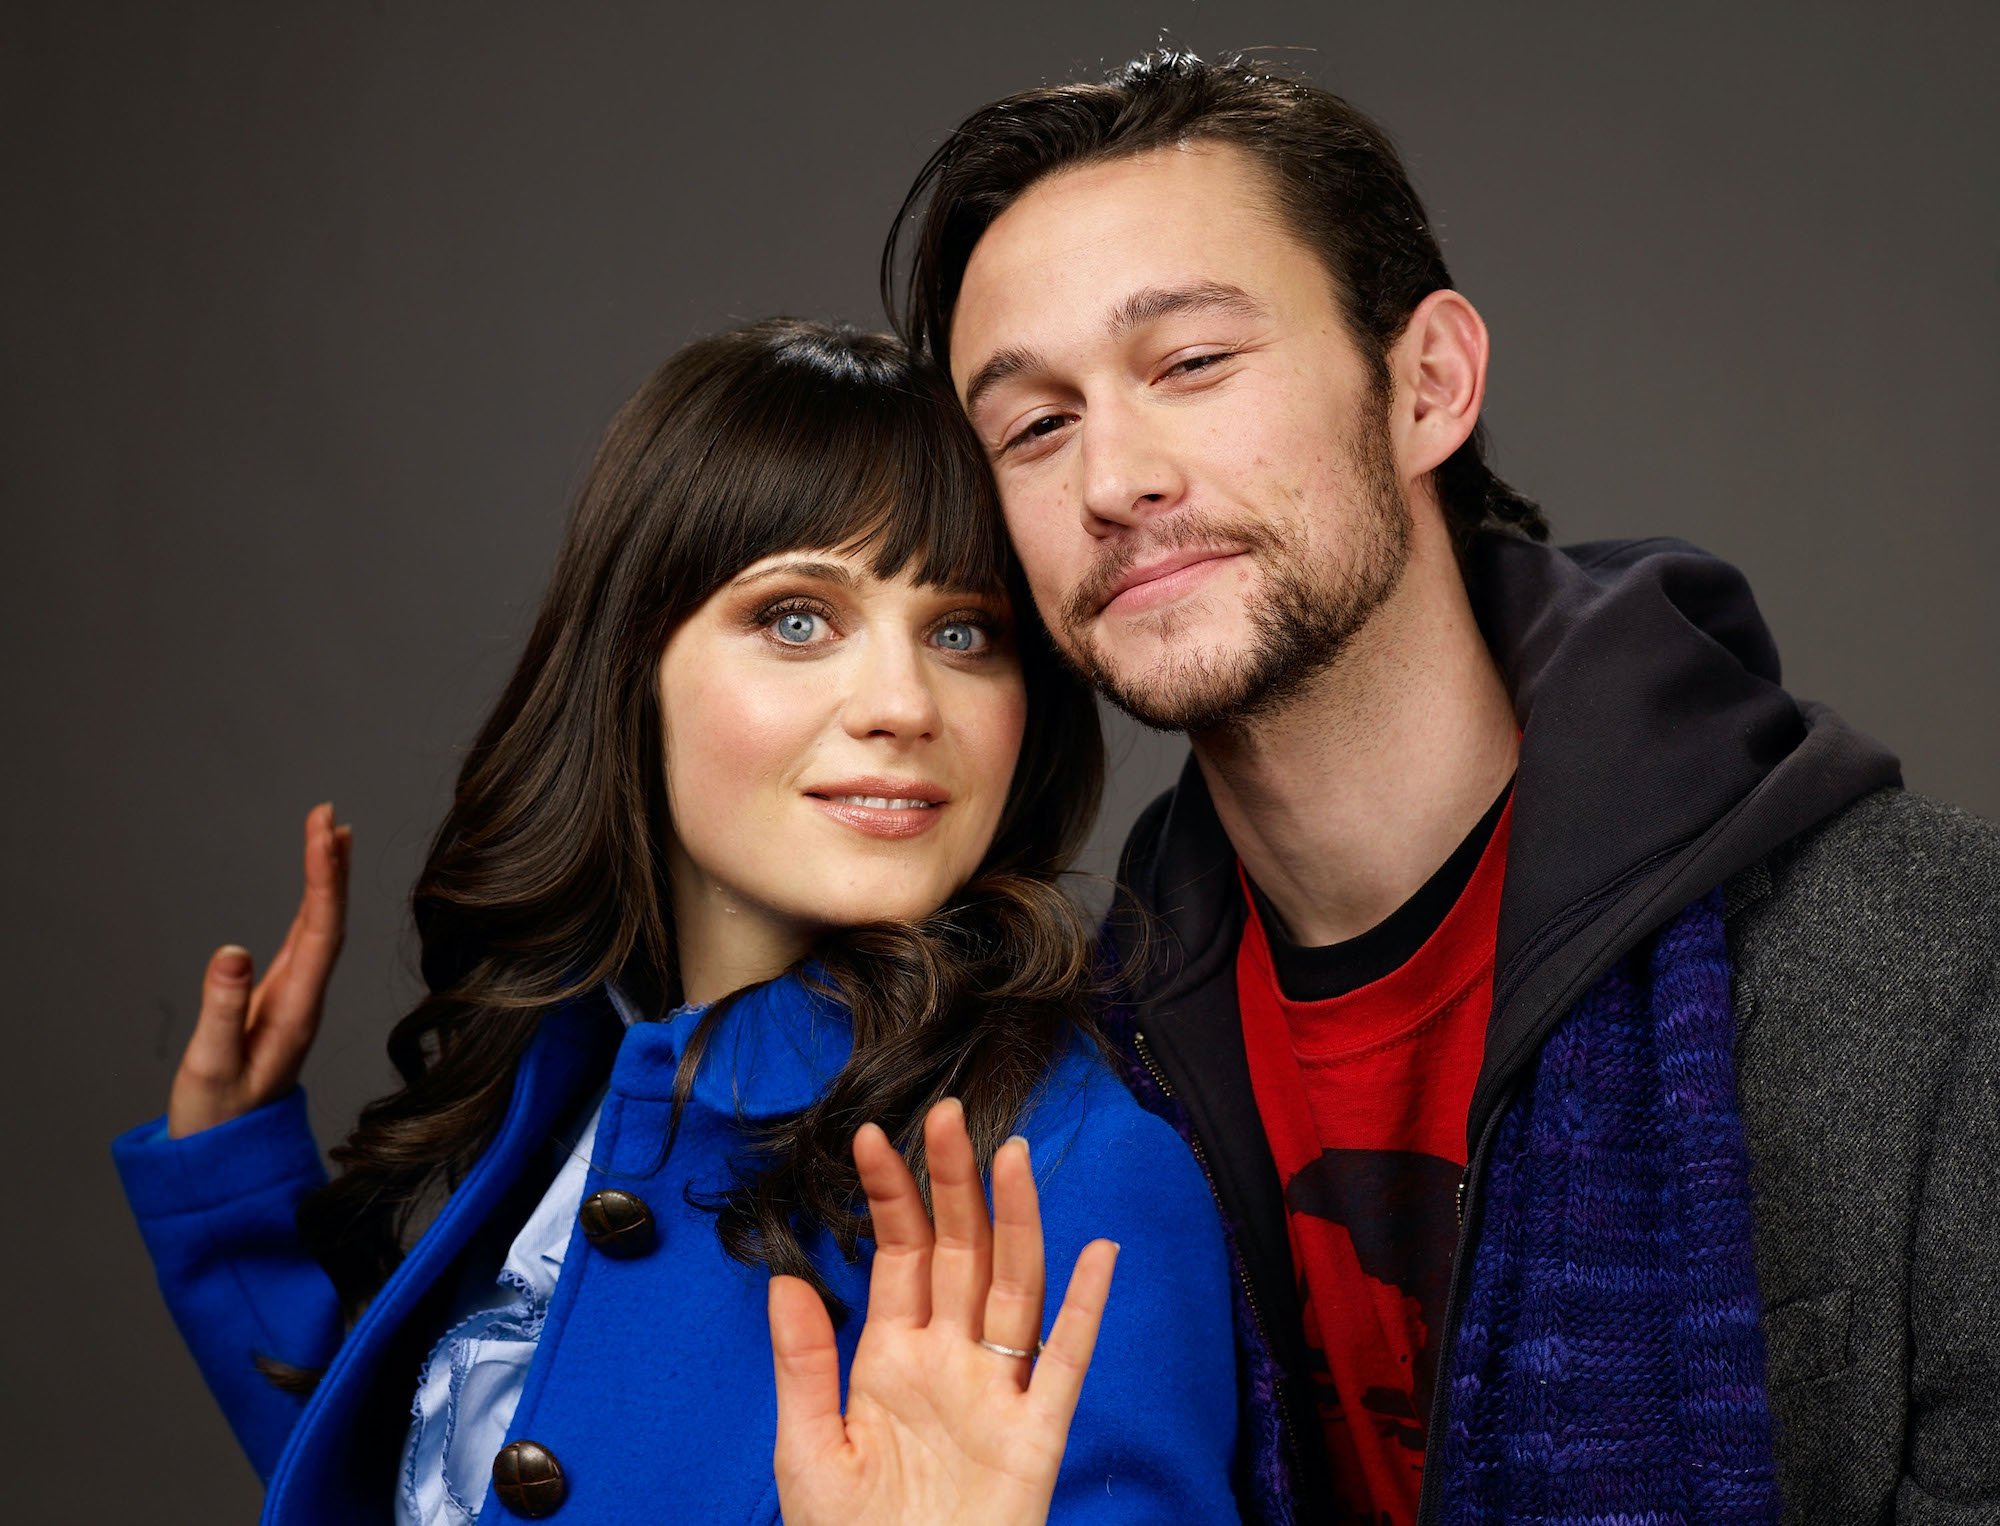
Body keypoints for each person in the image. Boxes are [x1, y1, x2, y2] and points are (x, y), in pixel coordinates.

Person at [882, 48, 2000, 1526]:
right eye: (1034, 425)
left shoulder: (1928, 967)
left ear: (1429, 384)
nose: (1114, 477)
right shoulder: (1074, 1084)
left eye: (1193, 362)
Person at [112, 320, 1243, 1524]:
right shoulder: (575, 1067)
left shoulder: (1065, 1170)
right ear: (631, 665)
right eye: (798, 618)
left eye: (962, 632)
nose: (905, 704)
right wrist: (231, 1178)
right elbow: (436, 1483)